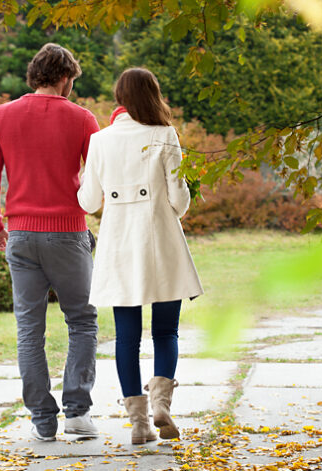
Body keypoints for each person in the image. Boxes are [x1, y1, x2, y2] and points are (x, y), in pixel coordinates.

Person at [0, 43, 101, 442]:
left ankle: (42, 421)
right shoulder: (82, 118)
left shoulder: (2, 116)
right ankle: (78, 413)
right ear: (65, 78)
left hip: (20, 234)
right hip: (68, 232)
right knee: (81, 320)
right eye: (72, 81)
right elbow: (97, 178)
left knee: (29, 329)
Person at [77, 68, 204, 444]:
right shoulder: (165, 135)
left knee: (126, 338)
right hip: (160, 241)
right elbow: (179, 201)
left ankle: (139, 424)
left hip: (120, 246)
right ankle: (161, 404)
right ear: (154, 95)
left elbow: (88, 202)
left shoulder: (100, 140)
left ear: (120, 97)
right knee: (166, 331)